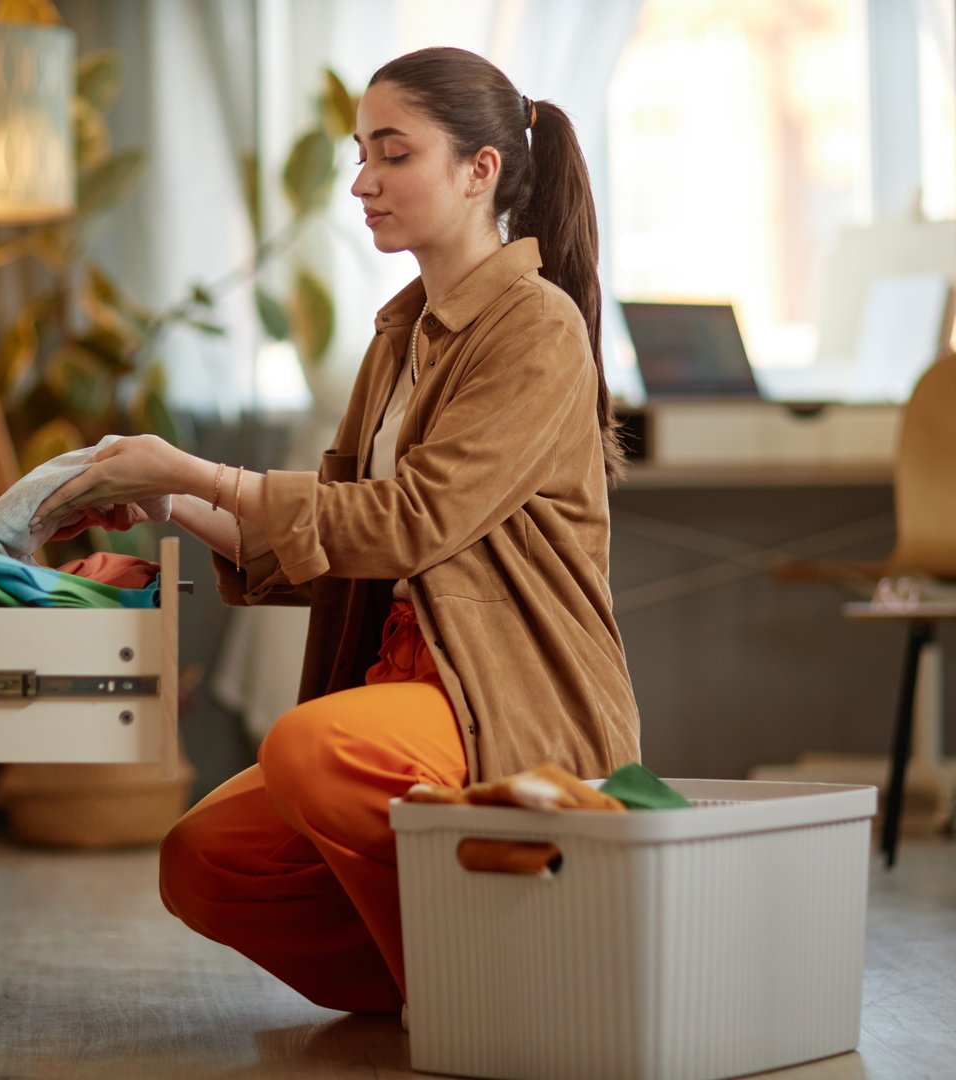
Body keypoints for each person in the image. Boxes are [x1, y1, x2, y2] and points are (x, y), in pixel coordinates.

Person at [34, 45, 640, 1016]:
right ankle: (461, 986)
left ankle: (497, 1002)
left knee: (312, 751)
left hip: (508, 692)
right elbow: (332, 550)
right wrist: (170, 507)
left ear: (479, 169)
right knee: (204, 861)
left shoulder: (535, 325)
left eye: (393, 153)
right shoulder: (399, 335)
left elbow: (410, 523)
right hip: (399, 680)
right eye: (362, 152)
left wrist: (197, 467)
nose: (361, 181)